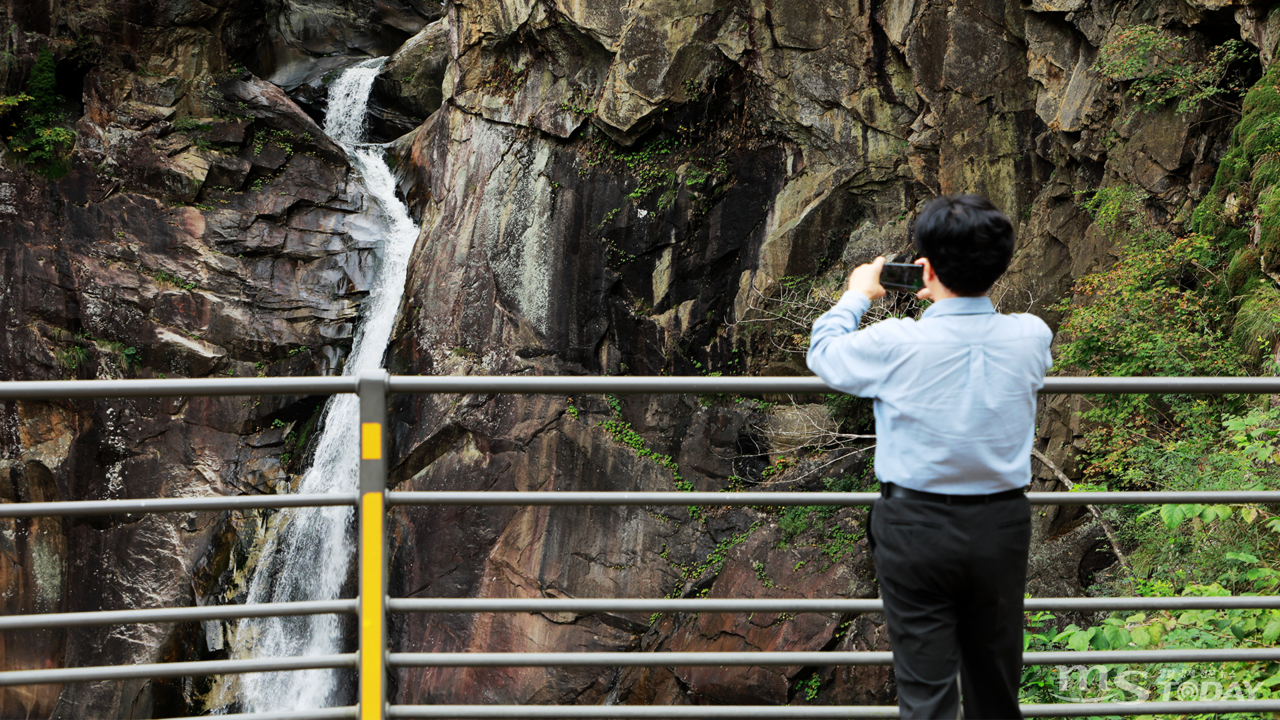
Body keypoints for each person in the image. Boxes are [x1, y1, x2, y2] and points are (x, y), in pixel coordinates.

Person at [806, 194, 1053, 720]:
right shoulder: (1032, 336)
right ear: (1001, 263)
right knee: (995, 688)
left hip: (914, 525)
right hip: (1001, 524)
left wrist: (856, 295)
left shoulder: (895, 341)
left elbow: (823, 354)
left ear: (924, 266)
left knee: (926, 695)